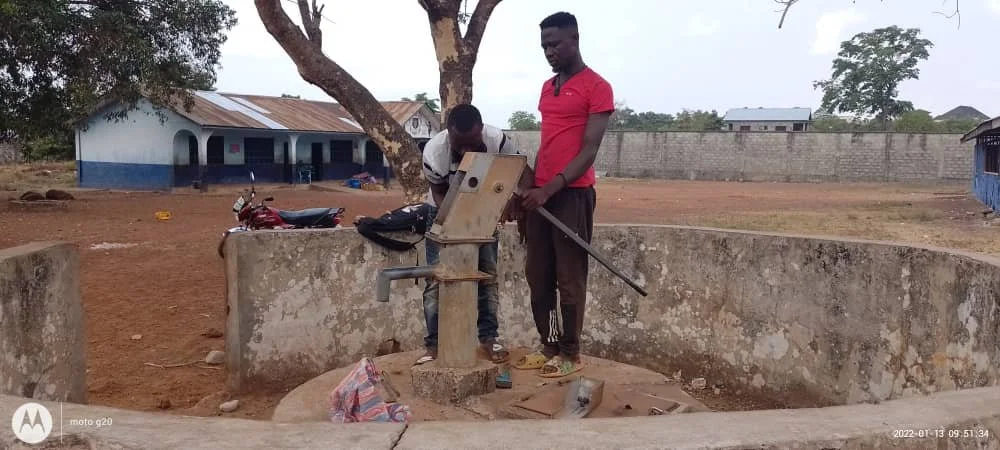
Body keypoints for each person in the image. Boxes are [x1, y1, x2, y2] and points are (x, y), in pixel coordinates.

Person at [513, 11, 614, 378]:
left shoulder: (597, 87)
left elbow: (588, 151)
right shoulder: (547, 87)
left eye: (555, 44)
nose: (549, 52)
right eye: (544, 46)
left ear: (575, 40)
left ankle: (571, 353)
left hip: (572, 195)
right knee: (538, 276)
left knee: (569, 278)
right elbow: (549, 142)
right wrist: (531, 189)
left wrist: (550, 188)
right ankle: (549, 345)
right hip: (541, 196)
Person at [416, 103, 524, 366]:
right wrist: (454, 226)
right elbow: (439, 194)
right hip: (442, 211)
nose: (465, 150)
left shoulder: (498, 140)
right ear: (448, 133)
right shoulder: (434, 153)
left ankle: (489, 338)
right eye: (459, 144)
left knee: (487, 275)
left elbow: (518, 171)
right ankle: (434, 344)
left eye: (472, 143)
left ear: (481, 130)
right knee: (436, 278)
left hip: (483, 210)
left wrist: (509, 200)